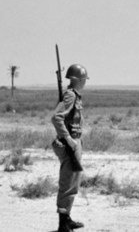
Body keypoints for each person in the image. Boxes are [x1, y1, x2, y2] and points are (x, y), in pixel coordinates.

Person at [51, 63, 88, 232]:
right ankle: (62, 224)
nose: (85, 82)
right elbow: (57, 118)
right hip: (68, 145)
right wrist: (69, 140)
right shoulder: (70, 96)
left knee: (73, 182)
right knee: (67, 183)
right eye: (83, 79)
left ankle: (67, 218)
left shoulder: (75, 96)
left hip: (74, 142)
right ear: (77, 80)